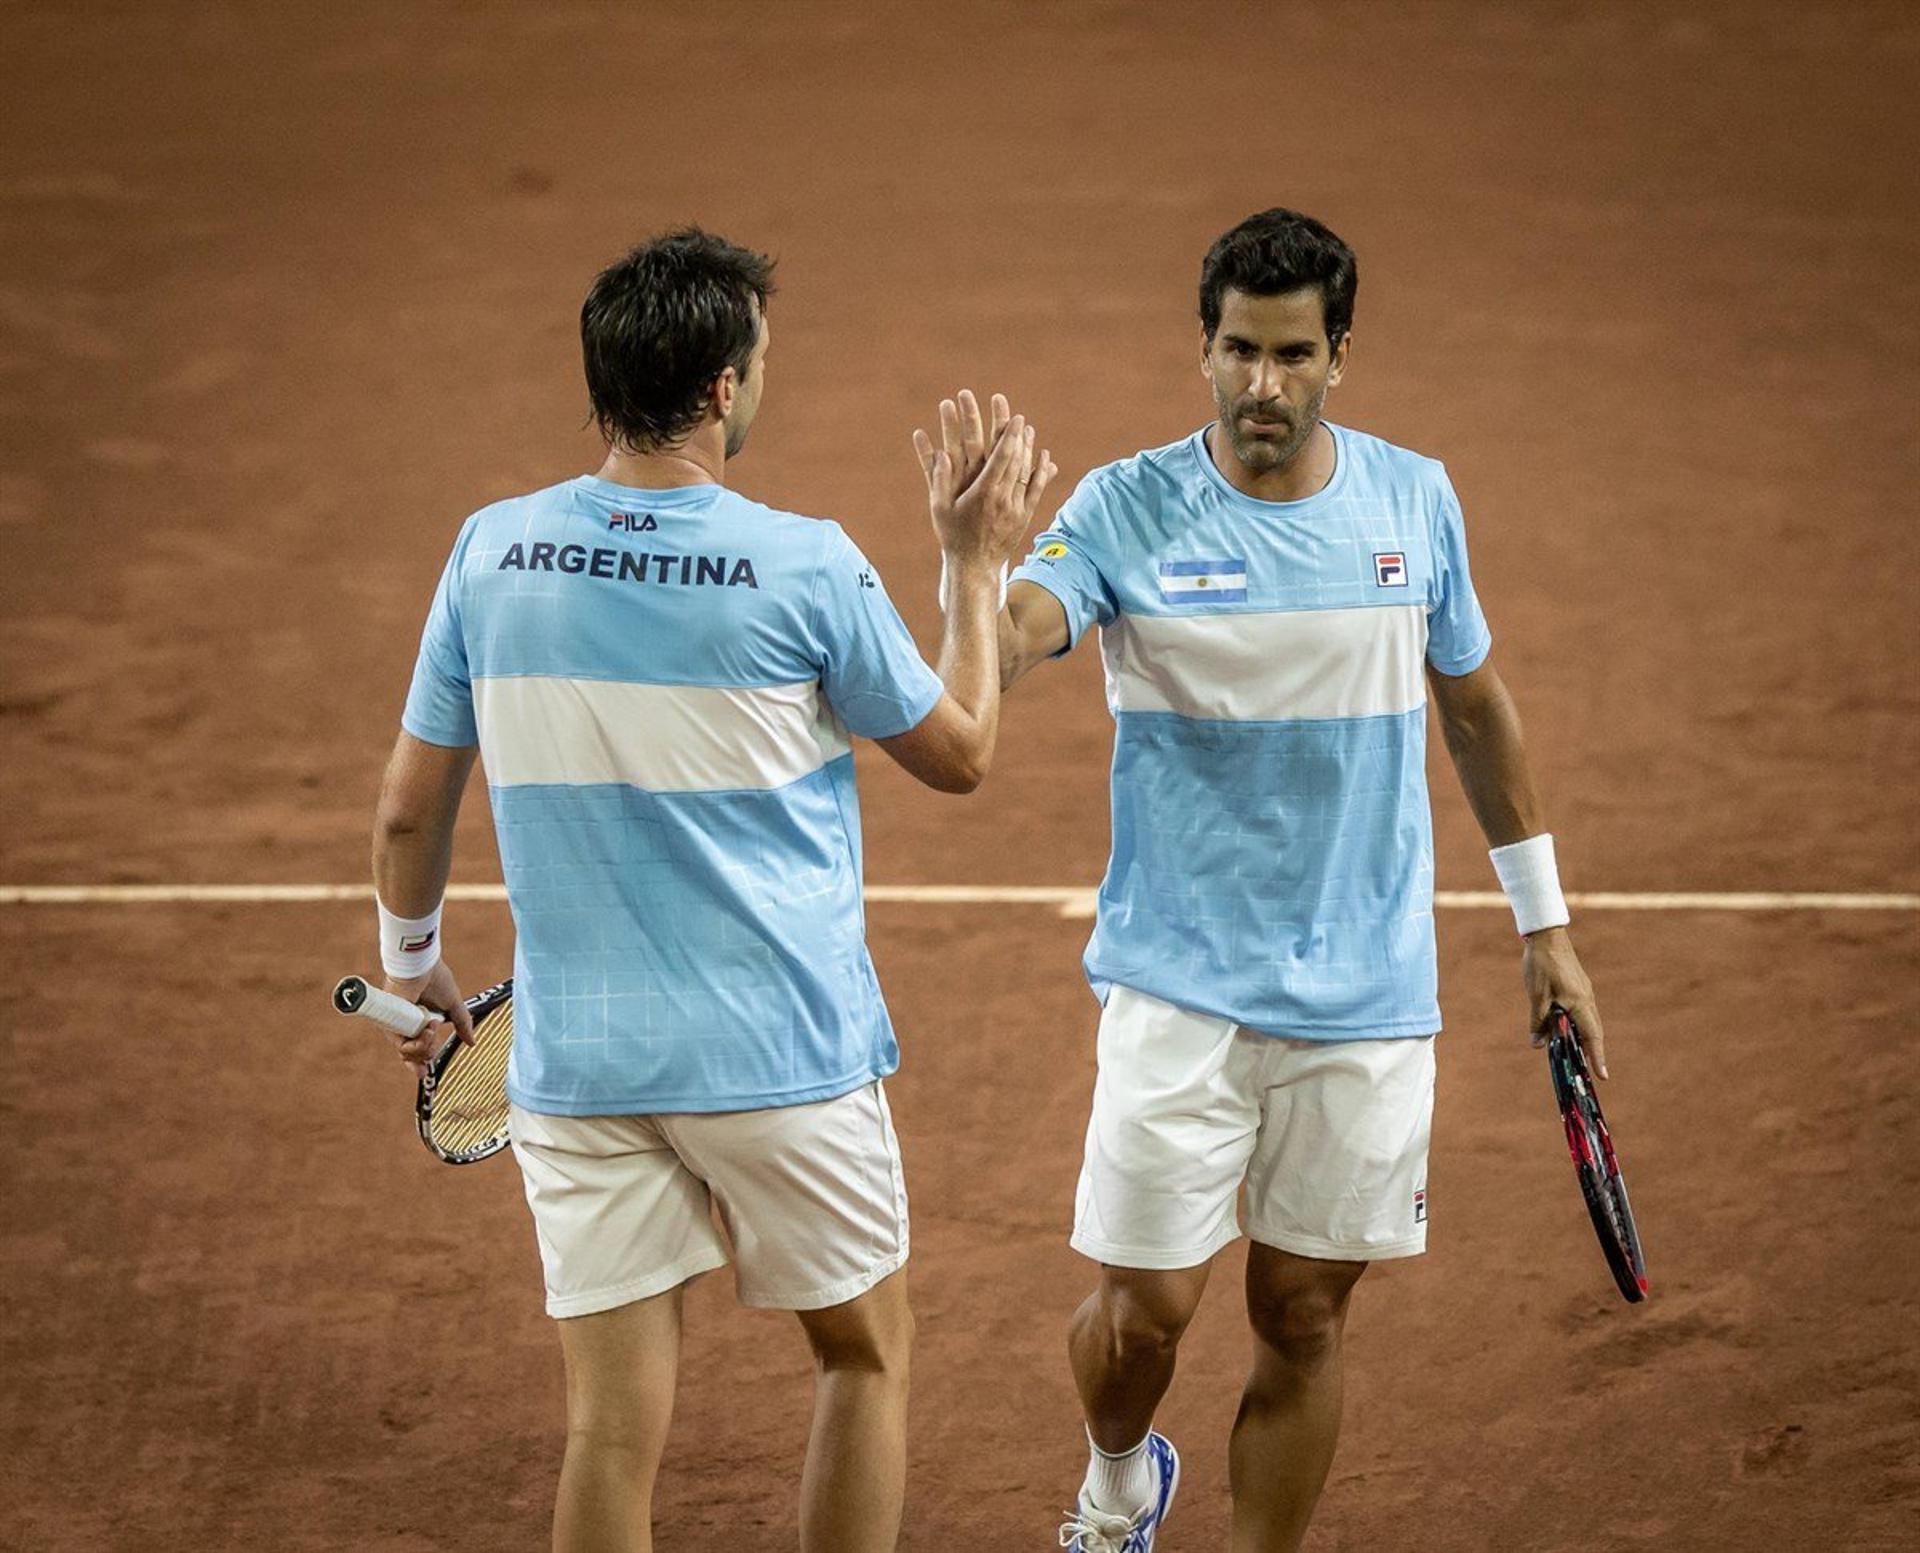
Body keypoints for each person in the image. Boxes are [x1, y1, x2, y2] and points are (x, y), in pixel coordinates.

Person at [365, 228, 1053, 1553]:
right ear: (726, 387)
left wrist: (410, 960)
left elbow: (406, 805)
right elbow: (962, 752)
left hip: (580, 1065)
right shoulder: (807, 565)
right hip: (781, 1053)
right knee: (862, 1357)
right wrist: (975, 567)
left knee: (611, 1430)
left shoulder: (489, 555)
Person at [959, 208, 1607, 1552]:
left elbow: (1476, 712)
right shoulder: (1124, 508)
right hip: (1176, 982)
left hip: (1366, 994)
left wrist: (1546, 927)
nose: (1265, 384)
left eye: (1294, 354)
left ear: (1337, 358)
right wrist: (974, 577)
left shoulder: (1414, 500)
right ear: (1202, 348)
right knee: (1145, 1311)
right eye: (1240, 352)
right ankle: (1118, 1475)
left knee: (1304, 1311)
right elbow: (1024, 631)